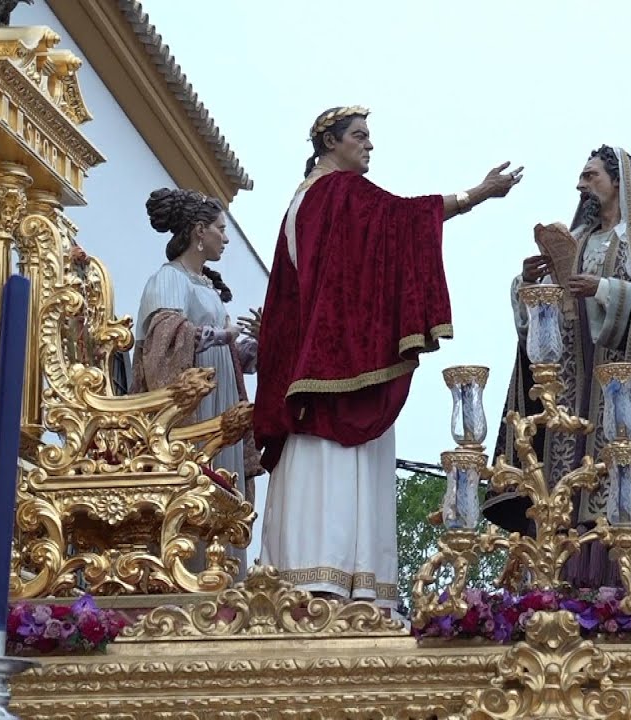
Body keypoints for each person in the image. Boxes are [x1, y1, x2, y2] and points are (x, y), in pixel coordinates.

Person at [254, 106, 522, 608]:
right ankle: (335, 578)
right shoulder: (338, 193)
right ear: (329, 142)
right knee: (337, 466)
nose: (369, 145)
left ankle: (317, 576)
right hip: (336, 368)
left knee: (323, 469)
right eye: (360, 136)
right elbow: (403, 219)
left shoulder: (301, 202)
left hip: (307, 376)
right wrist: (475, 195)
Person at [484, 146, 631, 588]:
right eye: (581, 177)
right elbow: (541, 316)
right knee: (559, 491)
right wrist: (530, 283)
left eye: (590, 176)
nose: (581, 185)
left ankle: (617, 588)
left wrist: (605, 289)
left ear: (618, 182)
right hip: (571, 387)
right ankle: (553, 584)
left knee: (613, 487)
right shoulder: (580, 239)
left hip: (620, 388)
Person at [133, 188, 261, 573]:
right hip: (194, 406)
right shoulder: (169, 279)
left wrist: (258, 342)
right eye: (220, 229)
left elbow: (229, 351)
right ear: (198, 231)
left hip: (221, 398)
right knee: (197, 481)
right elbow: (164, 339)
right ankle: (189, 568)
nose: (225, 237)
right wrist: (220, 337)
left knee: (224, 481)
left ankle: (223, 570)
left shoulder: (206, 287)